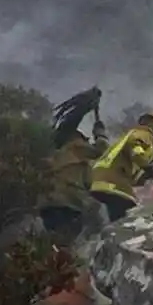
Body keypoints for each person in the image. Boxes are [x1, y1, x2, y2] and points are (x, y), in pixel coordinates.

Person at [37, 87, 110, 238]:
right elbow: (102, 151)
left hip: (48, 206)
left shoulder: (57, 155)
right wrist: (100, 132)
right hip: (67, 204)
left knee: (56, 243)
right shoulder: (75, 146)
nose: (86, 142)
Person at [89, 111, 153, 223]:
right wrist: (147, 165)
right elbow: (135, 145)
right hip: (113, 183)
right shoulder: (146, 133)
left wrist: (146, 176)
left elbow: (134, 178)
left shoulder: (149, 147)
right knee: (126, 212)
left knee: (114, 216)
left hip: (100, 182)